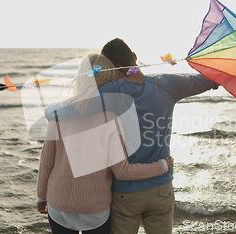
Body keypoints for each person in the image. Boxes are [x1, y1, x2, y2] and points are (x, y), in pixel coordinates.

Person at [45, 38, 218, 234]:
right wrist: (228, 69)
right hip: (161, 187)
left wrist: (51, 113)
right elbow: (209, 80)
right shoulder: (168, 84)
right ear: (135, 56)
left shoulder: (109, 91)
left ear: (110, 69)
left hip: (126, 194)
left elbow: (74, 108)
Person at [36, 54, 174, 234]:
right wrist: (162, 166)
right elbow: (122, 171)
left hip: (59, 204)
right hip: (95, 208)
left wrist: (41, 196)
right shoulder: (111, 118)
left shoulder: (59, 114)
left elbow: (46, 162)